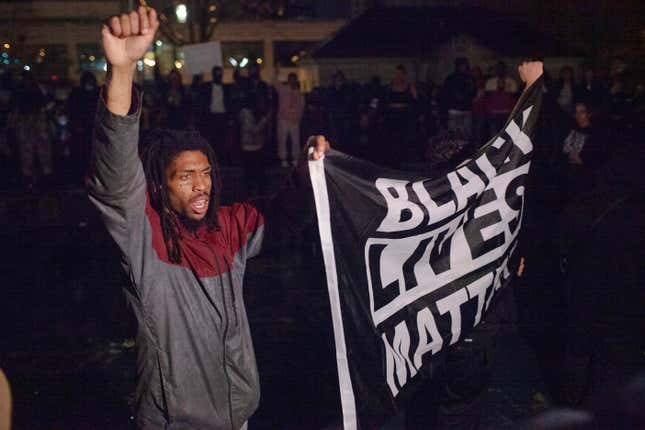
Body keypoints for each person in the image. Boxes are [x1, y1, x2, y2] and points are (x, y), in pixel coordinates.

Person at [90, 8, 329, 428]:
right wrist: (123, 70)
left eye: (206, 174)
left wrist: (308, 173)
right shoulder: (145, 238)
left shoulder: (228, 228)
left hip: (238, 415)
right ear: (160, 187)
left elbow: (283, 213)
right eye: (186, 177)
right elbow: (115, 174)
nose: (201, 186)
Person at [406, 61, 544, 430]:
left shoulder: (417, 215)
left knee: (426, 409)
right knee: (460, 410)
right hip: (473, 337)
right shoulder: (488, 213)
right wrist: (533, 88)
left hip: (428, 339)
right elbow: (519, 147)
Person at [274, 69, 305, 167]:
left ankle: (295, 159)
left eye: (293, 79)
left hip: (294, 121)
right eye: (290, 79)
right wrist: (277, 71)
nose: (292, 81)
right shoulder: (283, 89)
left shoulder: (299, 93)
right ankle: (283, 159)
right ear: (288, 80)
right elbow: (275, 82)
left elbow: (301, 107)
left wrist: (298, 118)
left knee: (295, 141)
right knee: (282, 140)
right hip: (283, 119)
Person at [440, 57, 476, 141]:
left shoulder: (469, 78)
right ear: (457, 66)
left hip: (466, 110)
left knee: (467, 135)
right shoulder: (450, 78)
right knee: (453, 136)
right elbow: (445, 94)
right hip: (454, 111)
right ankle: (454, 152)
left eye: (465, 65)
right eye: (461, 65)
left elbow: (473, 92)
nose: (463, 67)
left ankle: (466, 152)